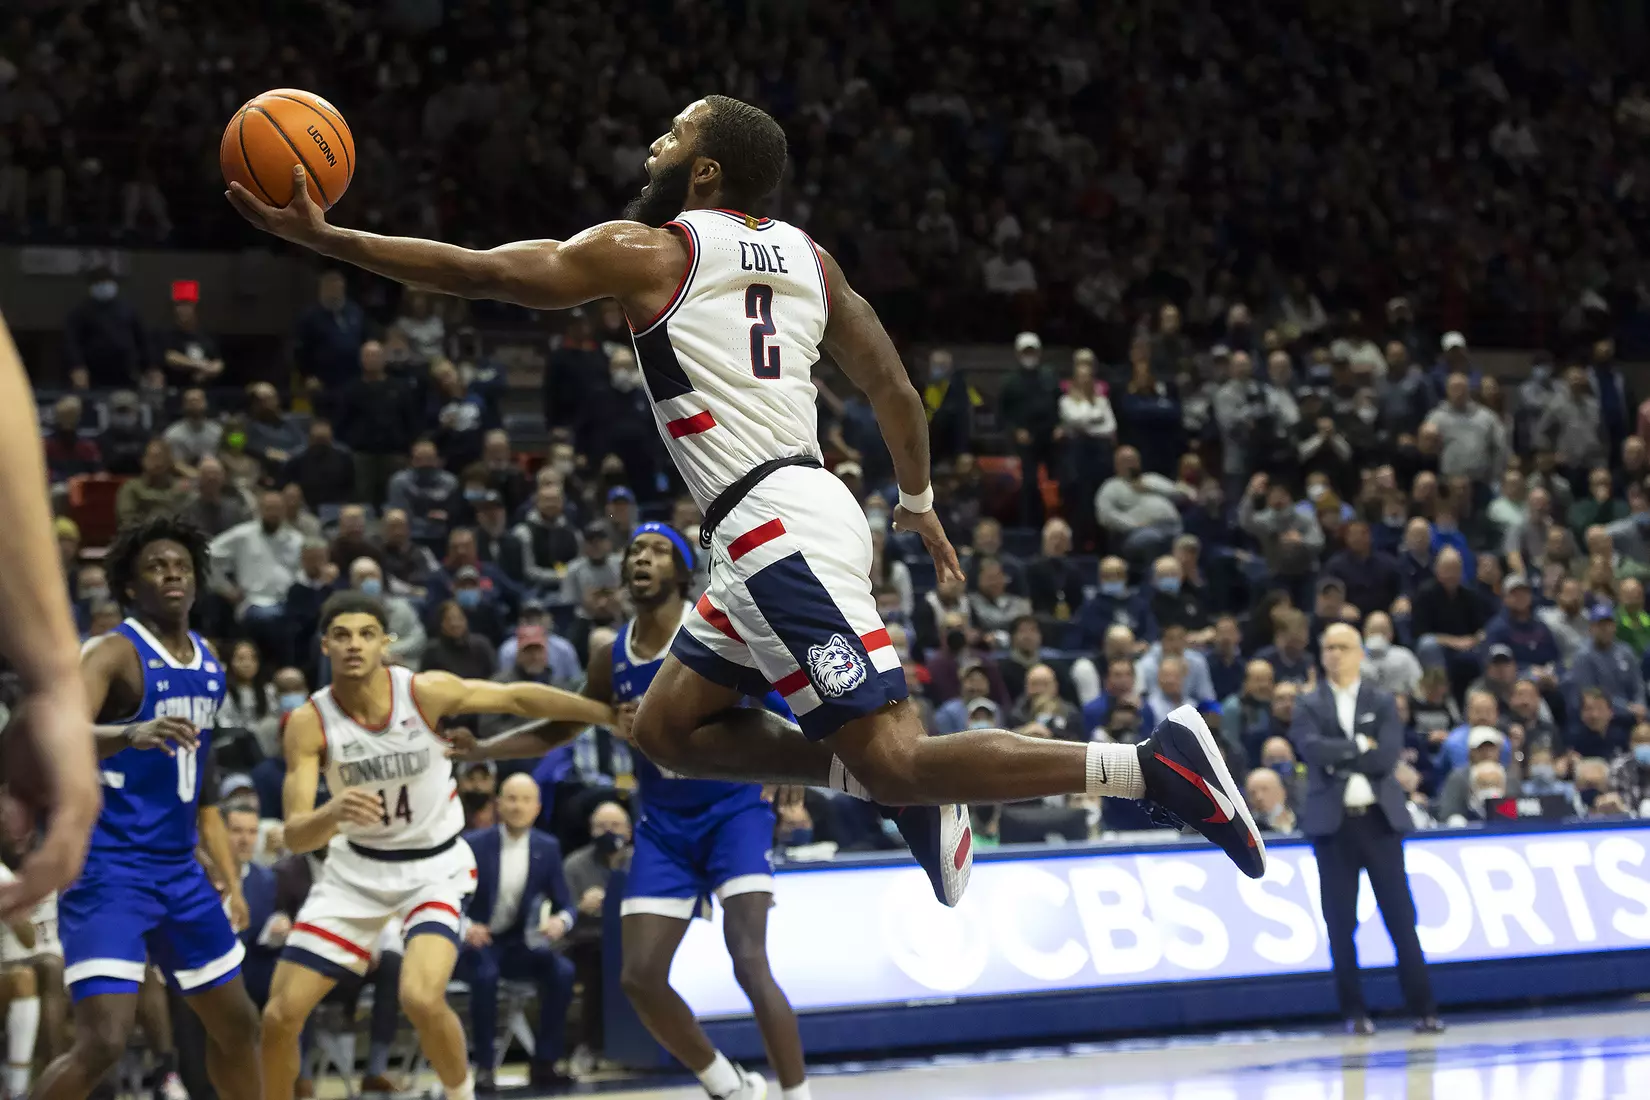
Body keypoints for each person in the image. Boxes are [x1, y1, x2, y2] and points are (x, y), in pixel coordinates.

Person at [229, 94, 1268, 907]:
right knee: (668, 728)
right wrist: (915, 497)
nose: (653, 145)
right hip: (786, 517)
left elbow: (492, 274)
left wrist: (335, 241)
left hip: (774, 527)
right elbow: (895, 389)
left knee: (900, 756)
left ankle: (1149, 766)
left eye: (672, 134)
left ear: (705, 170)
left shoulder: (655, 249)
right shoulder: (813, 260)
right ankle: (897, 795)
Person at [452, 524, 809, 1100]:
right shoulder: (610, 657)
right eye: (635, 550)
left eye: (659, 550)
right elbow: (559, 728)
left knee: (748, 960)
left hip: (733, 809)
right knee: (639, 978)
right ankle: (730, 1088)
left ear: (683, 572)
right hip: (663, 824)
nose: (643, 558)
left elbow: (785, 699)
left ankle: (797, 1094)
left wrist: (794, 764)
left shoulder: (715, 634)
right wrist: (484, 750)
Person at [259, 591, 612, 1100]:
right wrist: (331, 813)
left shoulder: (423, 692)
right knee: (279, 1016)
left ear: (385, 643)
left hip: (434, 868)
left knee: (421, 997)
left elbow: (516, 698)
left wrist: (603, 713)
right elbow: (295, 835)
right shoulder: (310, 722)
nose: (354, 644)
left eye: (366, 634)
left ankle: (461, 1093)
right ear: (325, 645)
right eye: (342, 635)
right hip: (355, 873)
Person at [34, 518, 263, 1100]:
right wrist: (128, 733)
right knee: (103, 1042)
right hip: (109, 867)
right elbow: (58, 736)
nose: (172, 575)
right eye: (157, 567)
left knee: (239, 1026)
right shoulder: (112, 652)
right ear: (131, 587)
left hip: (179, 869)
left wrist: (229, 877)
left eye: (181, 566)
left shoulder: (208, 661)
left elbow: (203, 784)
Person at [1289, 623, 1441, 1037]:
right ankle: (1354, 1012)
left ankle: (1424, 1009)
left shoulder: (1381, 700)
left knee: (1401, 918)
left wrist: (1340, 757)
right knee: (1340, 924)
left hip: (1379, 822)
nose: (1334, 654)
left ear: (1359, 653)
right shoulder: (1308, 703)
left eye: (1342, 647)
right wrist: (1359, 746)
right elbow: (1311, 750)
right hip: (1333, 827)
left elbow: (1386, 757)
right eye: (1328, 647)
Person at [459, 774, 577, 1091]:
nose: (518, 806)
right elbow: (449, 898)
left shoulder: (547, 847)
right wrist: (467, 926)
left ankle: (545, 1062)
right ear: (498, 804)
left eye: (526, 800)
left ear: (537, 808)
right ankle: (485, 1066)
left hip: (517, 942)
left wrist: (560, 922)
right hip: (476, 943)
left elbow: (567, 905)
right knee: (485, 975)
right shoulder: (473, 844)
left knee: (562, 971)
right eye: (511, 798)